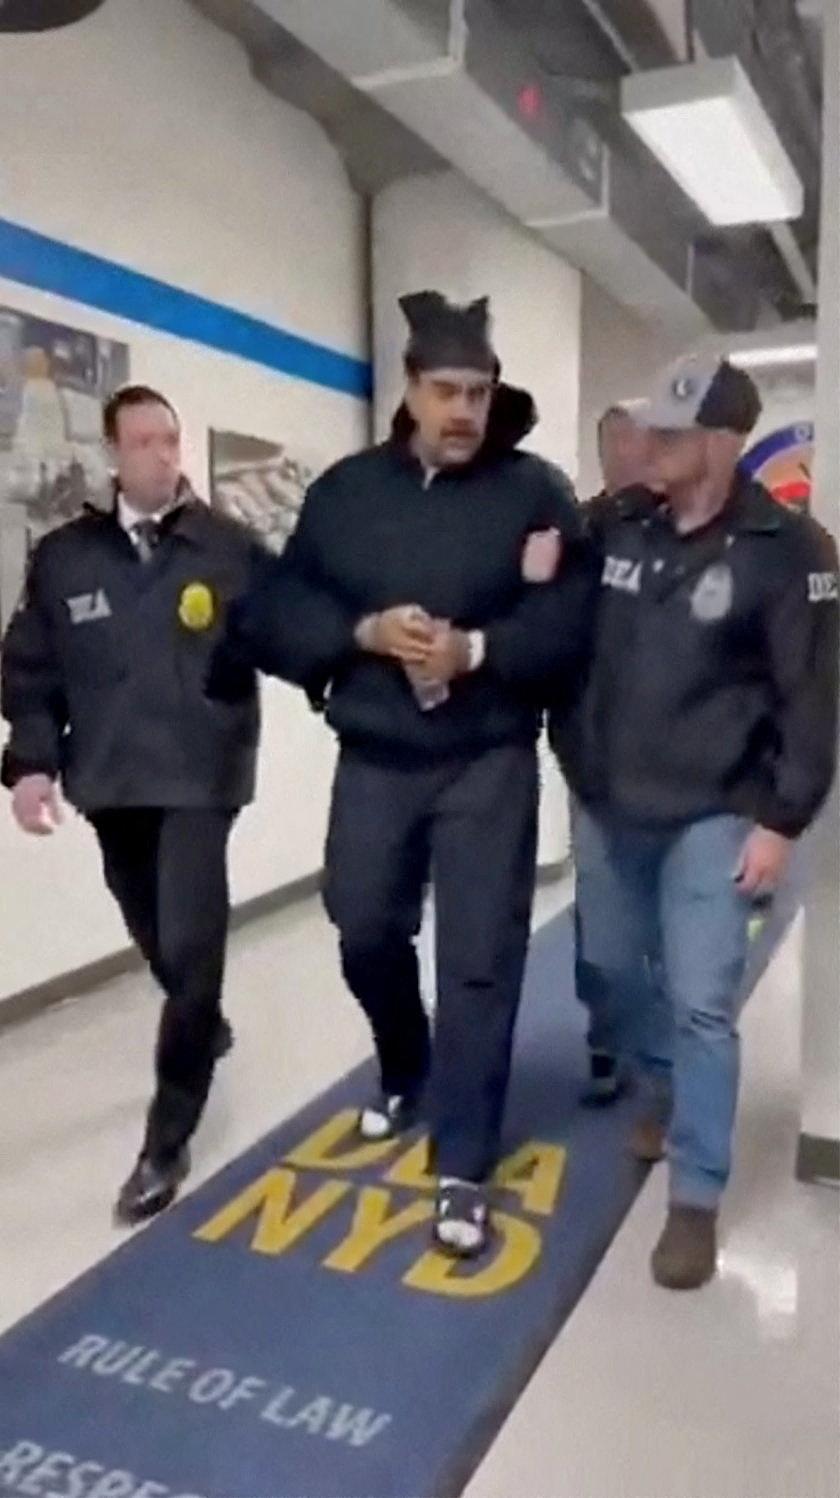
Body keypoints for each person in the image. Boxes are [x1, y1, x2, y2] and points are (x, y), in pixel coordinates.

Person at [212, 291, 593, 1258]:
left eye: (479, 393)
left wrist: (478, 650)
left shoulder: (535, 493)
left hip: (488, 759)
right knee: (363, 924)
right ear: (411, 392)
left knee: (478, 958)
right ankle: (405, 1061)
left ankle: (462, 1161)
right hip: (377, 755)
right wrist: (361, 632)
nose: (464, 411)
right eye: (447, 392)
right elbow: (274, 610)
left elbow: (572, 621)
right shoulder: (346, 495)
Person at [553, 353, 838, 1290]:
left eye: (671, 432)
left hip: (716, 812)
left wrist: (781, 822)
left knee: (702, 1000)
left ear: (722, 442)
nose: (651, 444)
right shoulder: (617, 523)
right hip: (608, 802)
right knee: (607, 968)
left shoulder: (789, 551)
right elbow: (554, 616)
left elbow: (811, 700)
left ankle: (696, 1196)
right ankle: (664, 1080)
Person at [1, 384, 263, 1226]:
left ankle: (166, 1141)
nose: (161, 454)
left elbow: (293, 627)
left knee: (191, 946)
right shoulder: (64, 557)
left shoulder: (228, 547)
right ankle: (202, 1019)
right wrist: (30, 765)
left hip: (200, 776)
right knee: (153, 929)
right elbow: (31, 671)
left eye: (170, 440)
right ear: (113, 453)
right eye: (143, 441)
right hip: (111, 780)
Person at [573, 407, 672, 1125]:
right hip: (597, 766)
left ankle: (663, 1074)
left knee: (673, 928)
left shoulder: (691, 532)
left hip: (683, 767)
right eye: (627, 450)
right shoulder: (578, 533)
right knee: (606, 936)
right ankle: (608, 1037)